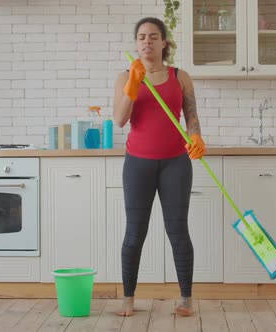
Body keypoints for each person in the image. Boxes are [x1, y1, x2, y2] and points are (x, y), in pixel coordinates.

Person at [113, 17, 206, 317]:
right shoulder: (124, 77)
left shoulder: (180, 77)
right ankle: (128, 298)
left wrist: (196, 136)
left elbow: (191, 116)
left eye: (153, 36)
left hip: (176, 164)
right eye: (141, 36)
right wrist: (132, 84)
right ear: (136, 42)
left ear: (164, 42)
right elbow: (120, 120)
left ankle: (186, 299)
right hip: (138, 164)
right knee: (134, 233)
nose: (146, 42)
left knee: (178, 231)